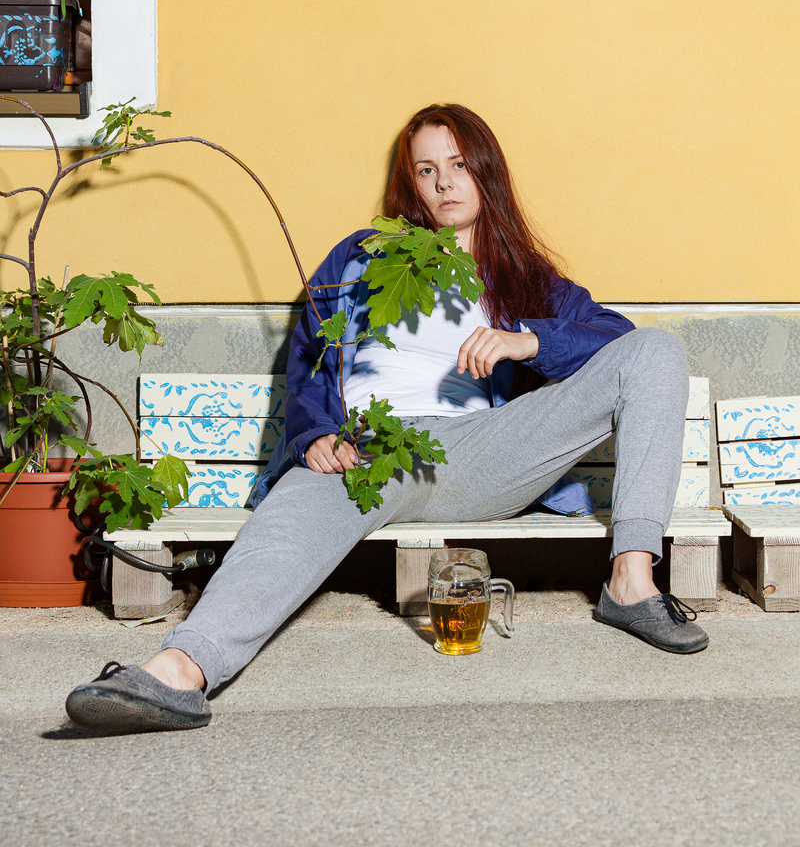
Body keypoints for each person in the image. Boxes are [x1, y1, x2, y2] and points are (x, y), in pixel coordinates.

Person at [65, 104, 707, 735]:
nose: (445, 182)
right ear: (411, 183)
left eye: (460, 165)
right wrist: (315, 432)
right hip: (369, 448)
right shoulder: (360, 257)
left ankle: (631, 582)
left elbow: (615, 340)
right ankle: (178, 671)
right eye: (427, 170)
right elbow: (309, 356)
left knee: (655, 351)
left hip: (483, 452)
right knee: (287, 525)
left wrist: (529, 341)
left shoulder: (521, 275)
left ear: (487, 172)